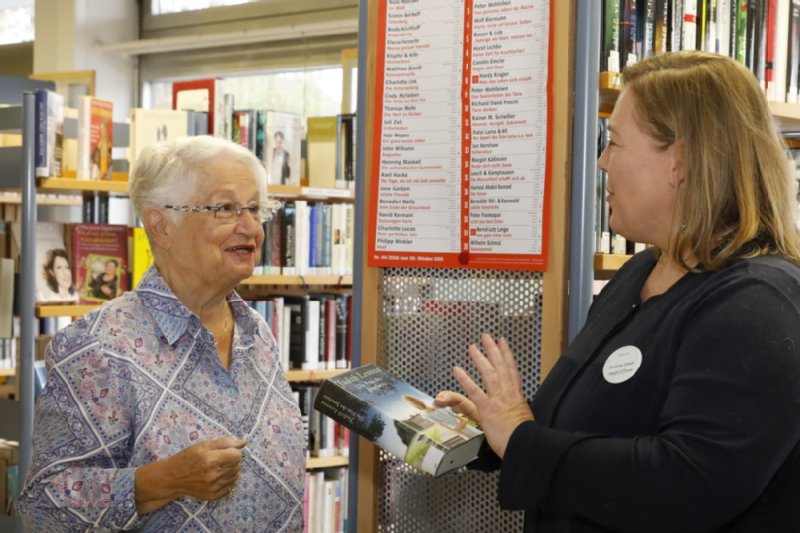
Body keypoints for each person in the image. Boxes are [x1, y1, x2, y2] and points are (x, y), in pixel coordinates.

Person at [436, 51, 800, 532]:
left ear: (682, 161)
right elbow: (591, 437)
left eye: (615, 143)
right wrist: (493, 433)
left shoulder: (757, 303)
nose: (603, 162)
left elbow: (684, 485)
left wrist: (521, 439)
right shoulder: (638, 273)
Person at [18, 135, 306, 531]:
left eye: (255, 209)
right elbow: (43, 505)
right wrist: (163, 481)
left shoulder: (255, 331)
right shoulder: (99, 347)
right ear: (160, 226)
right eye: (225, 208)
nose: (251, 227)